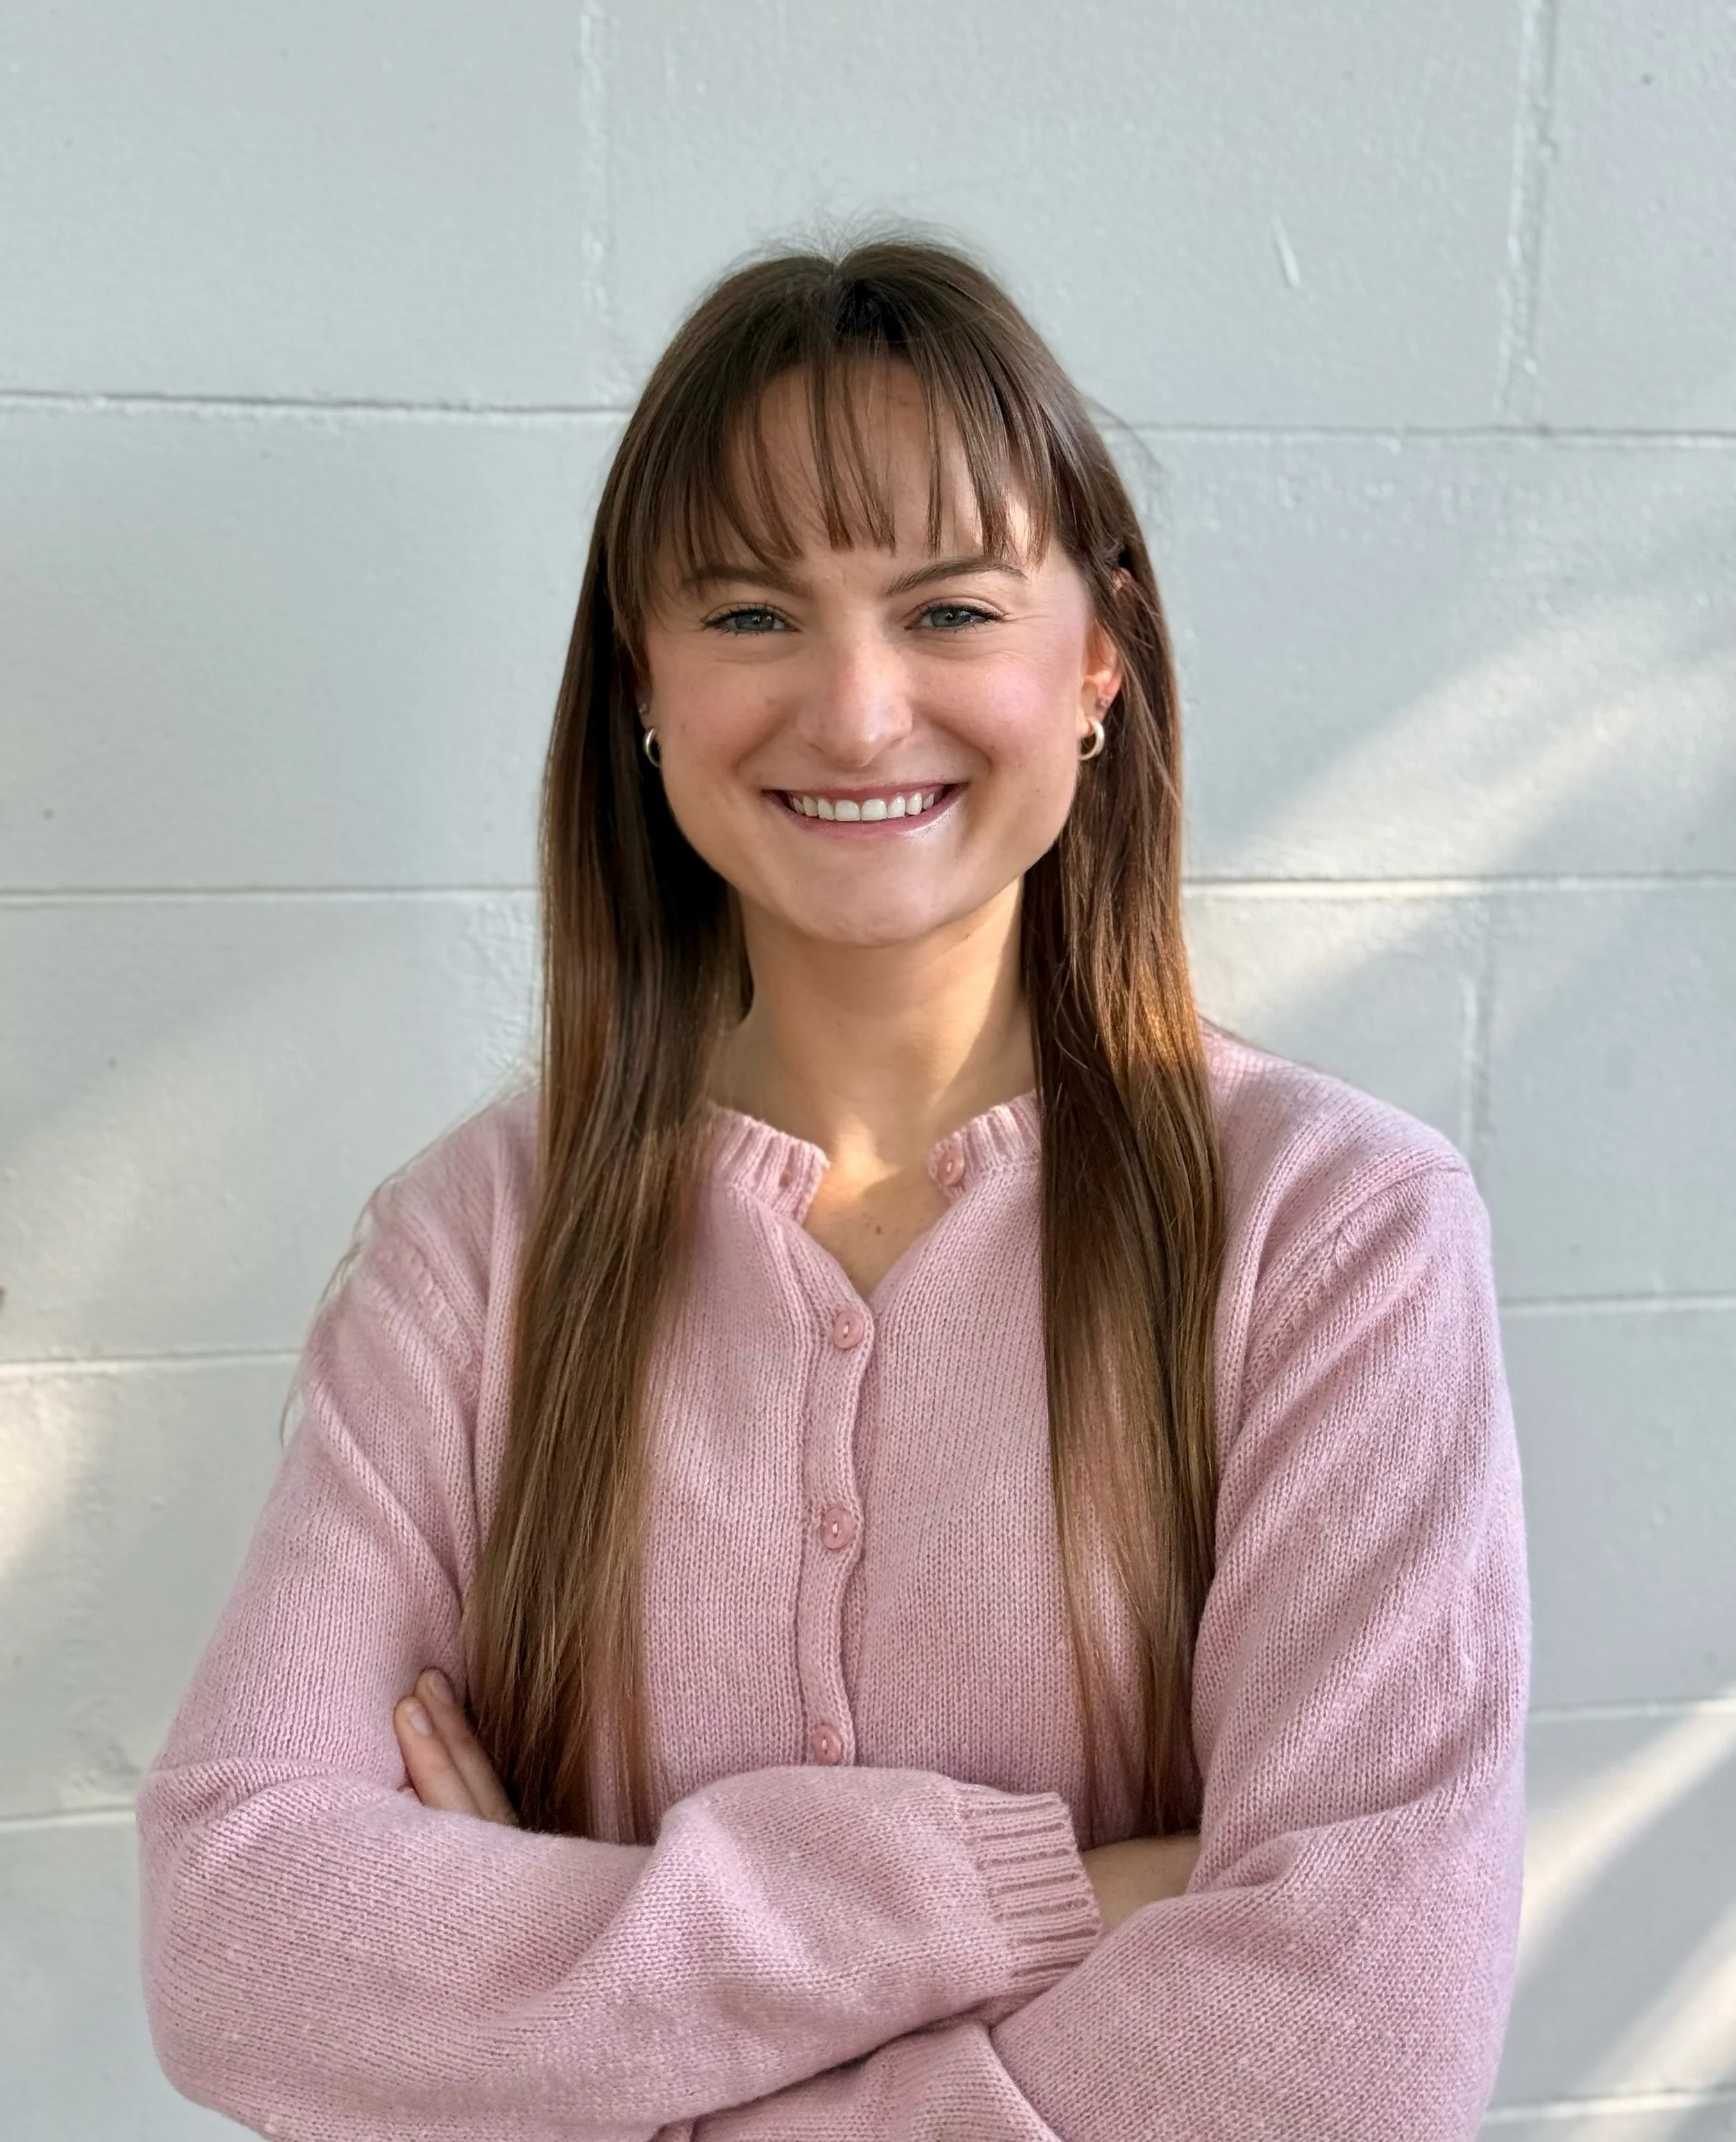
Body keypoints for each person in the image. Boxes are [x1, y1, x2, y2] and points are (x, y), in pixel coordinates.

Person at [137, 237, 1530, 2142]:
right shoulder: (474, 1247)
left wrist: (557, 2033)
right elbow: (244, 1935)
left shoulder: (1339, 1233)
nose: (859, 713)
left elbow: (1359, 2039)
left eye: (950, 609)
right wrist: (1038, 1891)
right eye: (749, 614)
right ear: (641, 670)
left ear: (1096, 656)